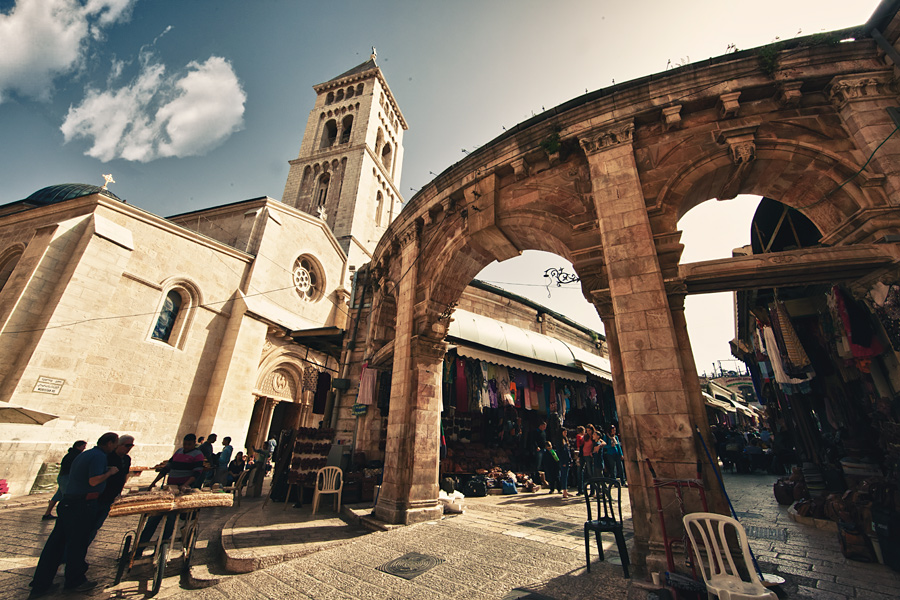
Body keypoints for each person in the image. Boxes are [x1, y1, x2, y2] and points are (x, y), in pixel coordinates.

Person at [29, 432, 120, 597]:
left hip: (68, 503)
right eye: (115, 444)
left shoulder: (85, 455)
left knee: (55, 545)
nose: (115, 447)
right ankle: (75, 581)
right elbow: (93, 481)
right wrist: (110, 473)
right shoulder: (99, 456)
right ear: (109, 443)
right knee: (77, 543)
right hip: (82, 505)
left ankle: (41, 583)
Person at [141, 434, 205, 549]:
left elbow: (197, 473)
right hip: (169, 488)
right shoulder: (179, 451)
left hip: (181, 491)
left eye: (189, 444)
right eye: (185, 444)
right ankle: (139, 548)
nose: (186, 446)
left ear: (194, 443)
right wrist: (153, 482)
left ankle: (161, 546)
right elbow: (167, 468)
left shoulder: (198, 455)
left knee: (171, 520)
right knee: (153, 518)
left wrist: (185, 485)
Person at [89, 435, 134, 543]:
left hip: (111, 496)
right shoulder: (107, 456)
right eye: (127, 445)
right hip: (99, 495)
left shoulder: (127, 459)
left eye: (131, 446)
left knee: (96, 526)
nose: (129, 448)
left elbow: (125, 475)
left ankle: (80, 554)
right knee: (87, 525)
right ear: (118, 444)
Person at [42, 440, 86, 521]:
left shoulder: (70, 454)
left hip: (62, 477)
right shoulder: (76, 455)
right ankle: (64, 515)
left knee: (57, 496)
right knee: (67, 497)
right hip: (67, 477)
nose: (84, 448)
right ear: (78, 447)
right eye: (83, 446)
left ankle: (47, 513)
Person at [527, 421, 548, 485]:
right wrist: (536, 447)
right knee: (537, 465)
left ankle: (543, 479)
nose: (544, 428)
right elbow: (533, 440)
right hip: (538, 450)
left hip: (544, 449)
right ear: (540, 426)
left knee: (543, 464)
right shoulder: (535, 432)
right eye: (544, 426)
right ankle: (537, 479)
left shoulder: (543, 432)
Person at [557, 429, 573, 498]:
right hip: (563, 461)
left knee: (566, 476)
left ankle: (566, 490)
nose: (565, 433)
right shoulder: (560, 441)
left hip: (567, 460)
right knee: (563, 476)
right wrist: (562, 461)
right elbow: (560, 453)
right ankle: (564, 491)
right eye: (564, 432)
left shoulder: (566, 440)